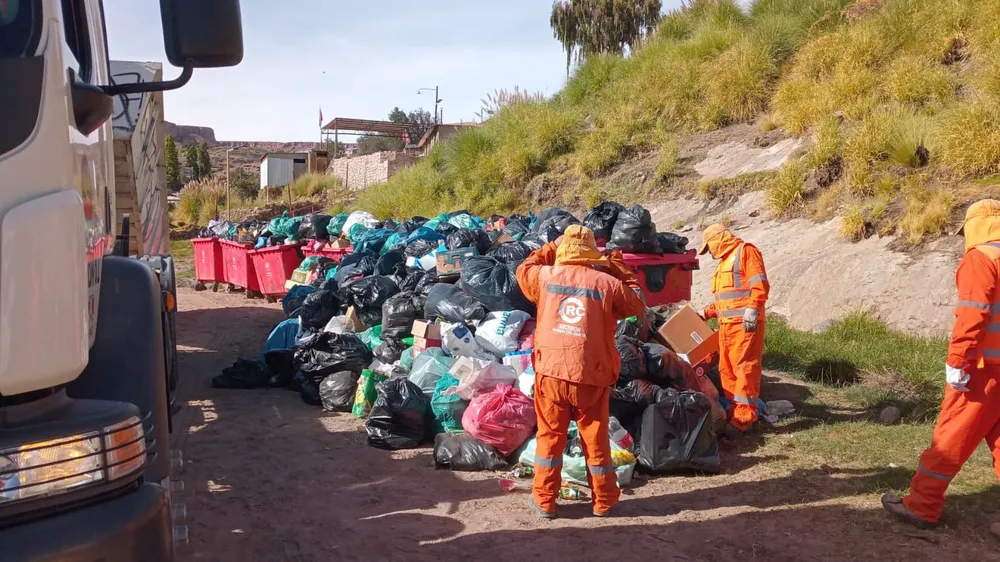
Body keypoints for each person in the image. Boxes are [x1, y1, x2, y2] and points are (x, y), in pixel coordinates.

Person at [883, 199, 1000, 529]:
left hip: (983, 371)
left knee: (950, 438)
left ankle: (922, 506)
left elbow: (973, 314)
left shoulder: (981, 257)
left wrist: (958, 360)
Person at [515, 225, 646, 519]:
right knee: (595, 439)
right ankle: (604, 501)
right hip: (591, 374)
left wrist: (550, 247)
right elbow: (637, 300)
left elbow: (524, 269)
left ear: (564, 250)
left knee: (550, 437)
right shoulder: (606, 284)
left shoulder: (544, 277)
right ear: (591, 252)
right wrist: (614, 263)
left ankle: (545, 501)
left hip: (551, 372)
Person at [699, 223, 769, 435]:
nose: (709, 252)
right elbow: (726, 299)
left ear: (717, 240)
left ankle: (744, 419)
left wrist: (753, 308)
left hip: (744, 326)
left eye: (709, 247)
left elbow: (760, 285)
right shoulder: (723, 263)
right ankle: (734, 412)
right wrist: (706, 313)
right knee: (726, 369)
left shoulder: (746, 251)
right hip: (726, 327)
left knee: (744, 368)